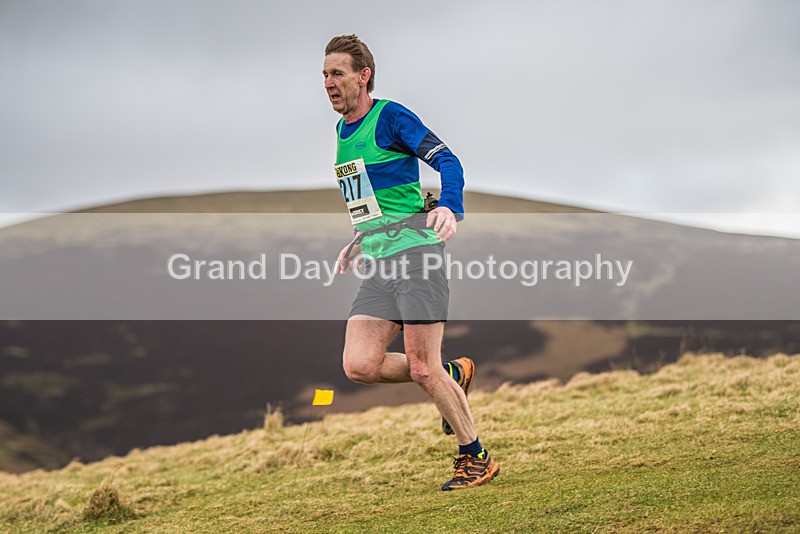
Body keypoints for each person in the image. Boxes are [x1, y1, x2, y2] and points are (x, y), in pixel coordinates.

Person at [323, 34, 499, 491]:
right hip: (381, 263)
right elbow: (368, 198)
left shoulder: (391, 117)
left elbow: (447, 160)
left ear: (363, 76)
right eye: (324, 75)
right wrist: (360, 238)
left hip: (418, 256)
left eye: (337, 73)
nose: (328, 83)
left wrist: (448, 205)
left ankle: (474, 455)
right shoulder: (342, 132)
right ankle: (455, 374)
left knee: (423, 368)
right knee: (359, 365)